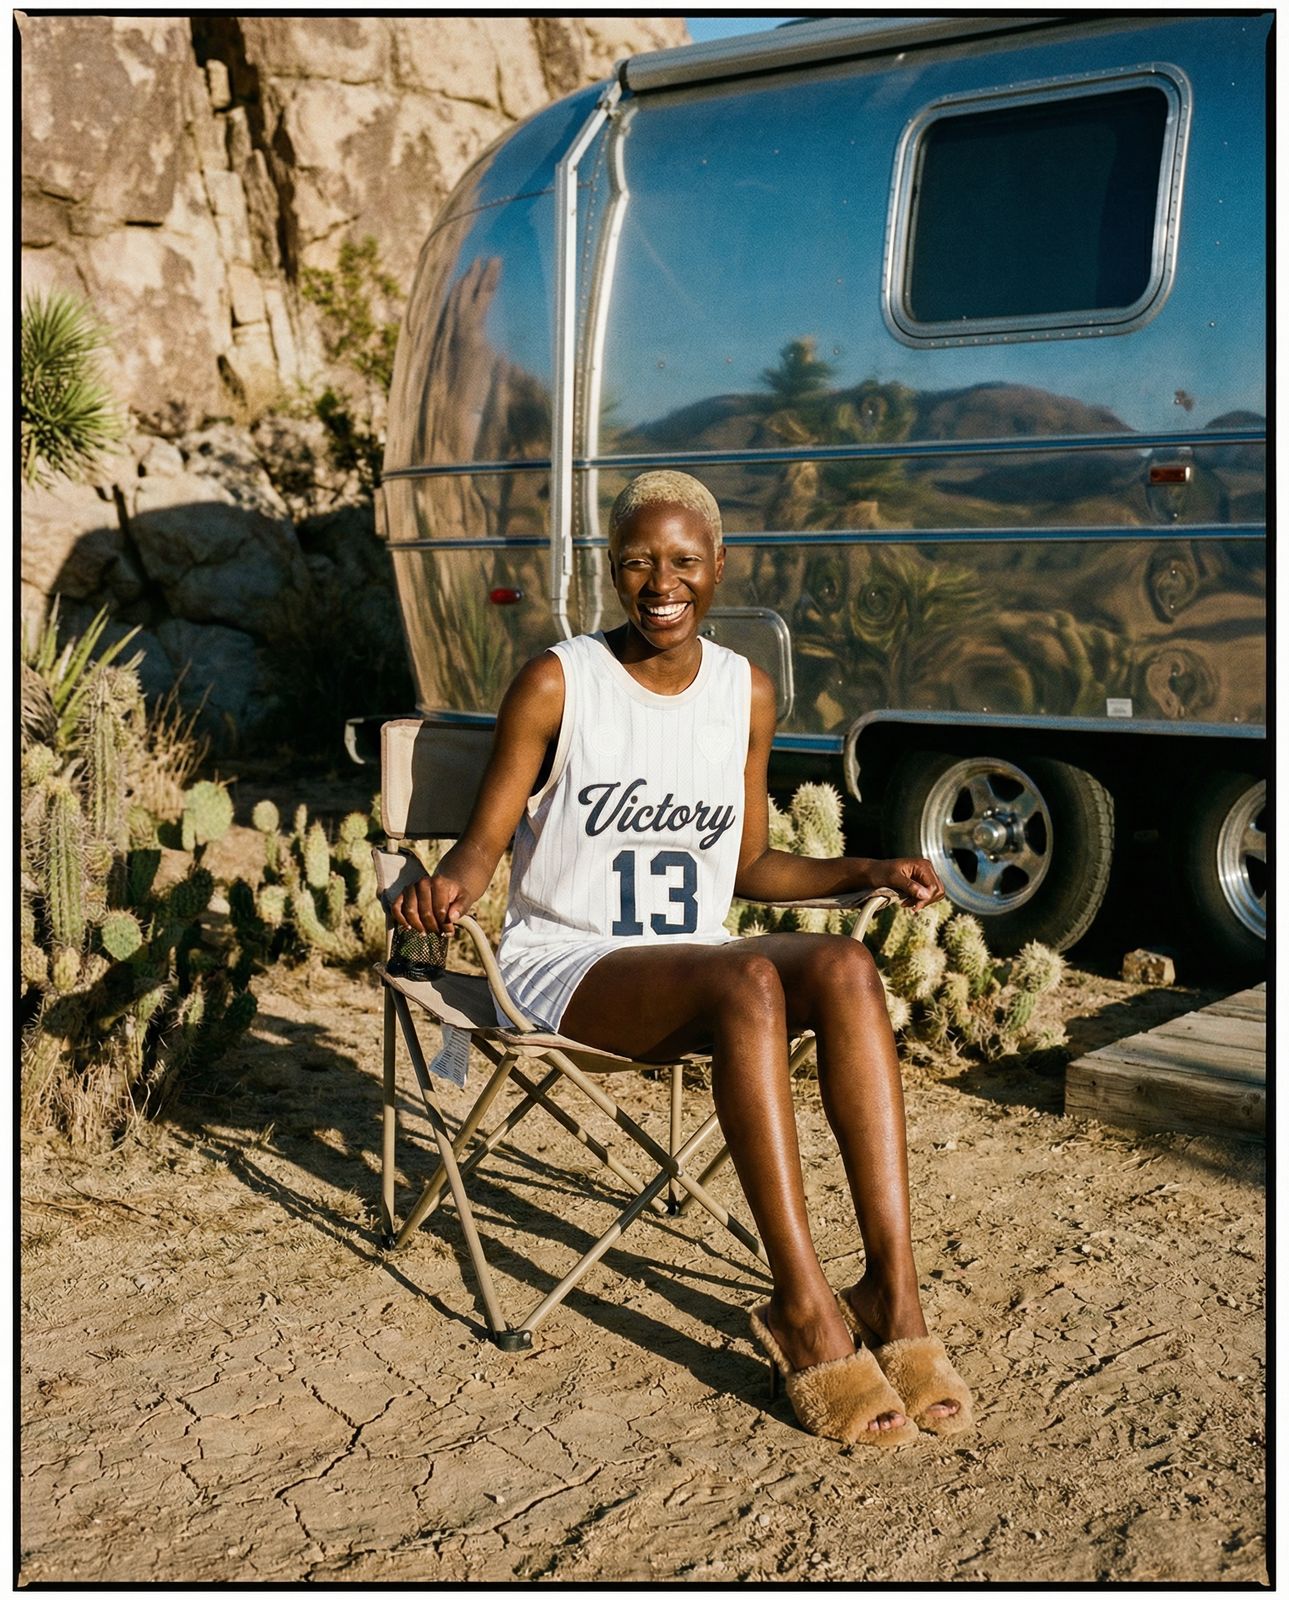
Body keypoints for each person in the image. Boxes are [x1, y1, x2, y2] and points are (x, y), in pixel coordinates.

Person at [393, 469, 973, 1446]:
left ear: (717, 567)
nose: (660, 582)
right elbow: (483, 846)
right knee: (744, 977)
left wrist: (868, 865)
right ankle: (799, 1305)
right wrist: (441, 887)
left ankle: (891, 1292)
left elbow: (747, 864)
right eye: (635, 562)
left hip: (696, 962)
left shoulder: (742, 693)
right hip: (565, 963)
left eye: (682, 562)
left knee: (843, 970)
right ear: (610, 570)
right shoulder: (557, 680)